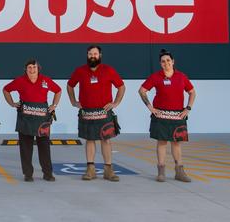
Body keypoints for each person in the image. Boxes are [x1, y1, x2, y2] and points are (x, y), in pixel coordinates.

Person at [67, 45, 125, 182]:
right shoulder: (80, 71)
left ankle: (108, 170)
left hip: (104, 113)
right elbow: (70, 85)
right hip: (87, 112)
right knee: (90, 140)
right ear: (87, 55)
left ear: (100, 55)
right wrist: (73, 101)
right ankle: (90, 170)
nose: (93, 56)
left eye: (95, 53)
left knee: (106, 140)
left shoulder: (109, 70)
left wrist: (116, 103)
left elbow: (121, 86)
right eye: (90, 54)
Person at [139, 49, 196, 182]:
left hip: (177, 116)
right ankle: (161, 172)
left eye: (168, 61)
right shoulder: (155, 76)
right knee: (162, 142)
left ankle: (179, 172)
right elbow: (142, 91)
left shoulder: (181, 77)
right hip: (161, 116)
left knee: (176, 144)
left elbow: (192, 92)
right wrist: (150, 107)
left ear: (173, 61)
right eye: (163, 61)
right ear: (160, 63)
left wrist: (188, 108)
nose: (166, 63)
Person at [3, 59, 61, 182]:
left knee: (44, 146)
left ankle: (48, 173)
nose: (32, 70)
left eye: (34, 67)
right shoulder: (20, 80)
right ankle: (28, 174)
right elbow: (6, 90)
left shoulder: (45, 80)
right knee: (25, 147)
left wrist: (54, 105)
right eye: (29, 67)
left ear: (38, 68)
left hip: (42, 118)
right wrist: (12, 103)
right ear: (26, 69)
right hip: (25, 118)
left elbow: (58, 90)